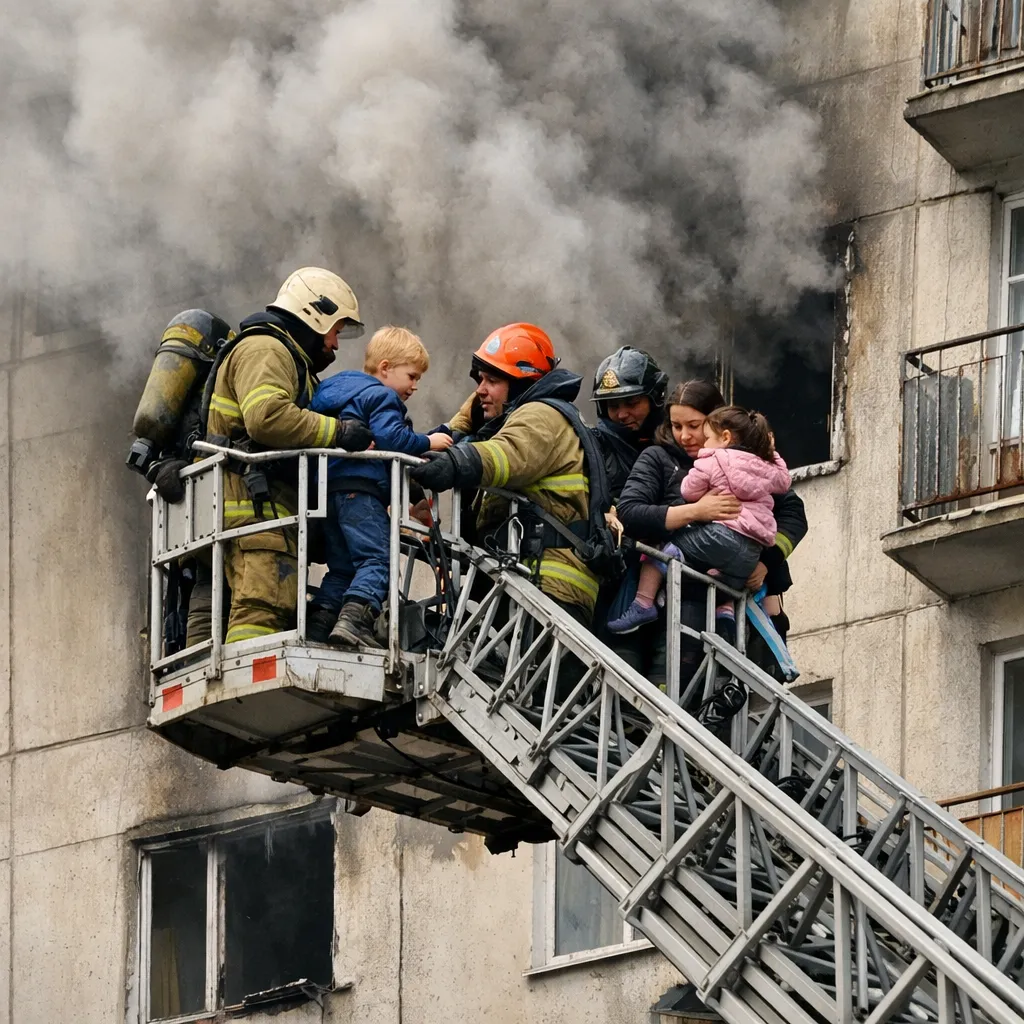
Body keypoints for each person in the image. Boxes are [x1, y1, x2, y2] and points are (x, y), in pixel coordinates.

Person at [205, 267, 374, 645]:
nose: (336, 343)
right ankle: (246, 697)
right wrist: (339, 433)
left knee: (258, 611)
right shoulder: (267, 349)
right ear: (317, 314)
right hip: (255, 515)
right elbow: (266, 417)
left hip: (260, 512)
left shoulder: (288, 359)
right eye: (336, 330)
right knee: (263, 610)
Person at [616, 379, 807, 683]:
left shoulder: (749, 461)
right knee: (676, 694)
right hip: (676, 611)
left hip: (743, 609)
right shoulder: (658, 459)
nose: (686, 436)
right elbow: (630, 512)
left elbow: (794, 514)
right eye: (677, 426)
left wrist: (765, 562)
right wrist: (694, 511)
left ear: (720, 424)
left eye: (695, 425)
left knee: (730, 707)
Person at [411, 323, 600, 625]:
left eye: (492, 380)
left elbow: (508, 456)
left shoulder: (542, 415)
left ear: (522, 384)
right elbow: (474, 425)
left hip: (546, 589)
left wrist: (456, 462)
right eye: (480, 379)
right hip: (526, 581)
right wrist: (458, 428)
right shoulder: (516, 414)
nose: (480, 390)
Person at [304, 326, 453, 647]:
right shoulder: (381, 396)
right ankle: (355, 622)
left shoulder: (337, 390)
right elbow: (391, 439)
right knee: (378, 560)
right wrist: (430, 441)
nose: (414, 386)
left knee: (343, 568)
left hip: (327, 494)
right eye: (412, 376)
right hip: (362, 492)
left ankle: (319, 625)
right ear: (385, 368)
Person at [609, 405, 791, 633]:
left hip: (722, 538)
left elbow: (688, 491)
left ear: (724, 436)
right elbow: (785, 482)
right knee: (722, 577)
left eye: (698, 430)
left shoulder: (712, 459)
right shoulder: (764, 466)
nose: (686, 436)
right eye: (676, 426)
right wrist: (770, 452)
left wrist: (697, 506)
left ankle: (643, 604)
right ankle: (724, 612)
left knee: (660, 552)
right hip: (752, 552)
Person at [591, 346, 669, 499]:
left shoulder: (679, 441)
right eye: (612, 406)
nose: (622, 415)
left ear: (655, 399)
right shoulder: (595, 448)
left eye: (632, 403)